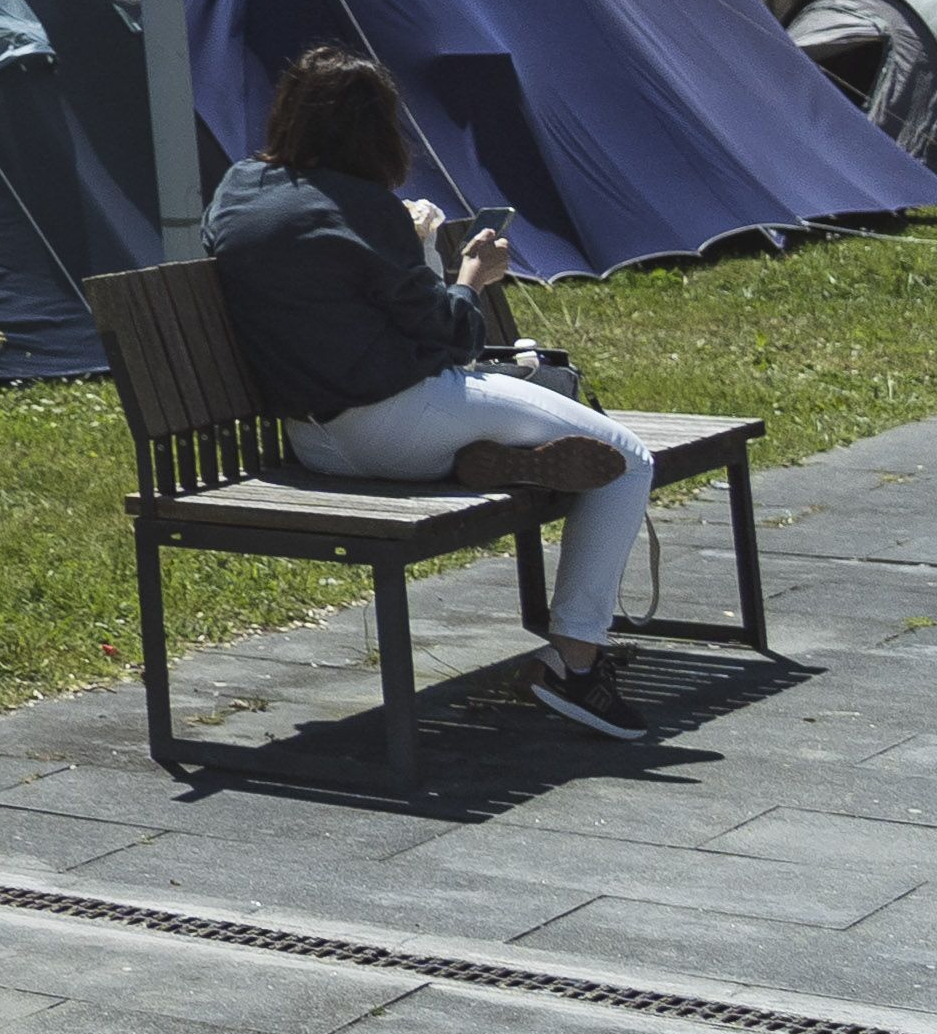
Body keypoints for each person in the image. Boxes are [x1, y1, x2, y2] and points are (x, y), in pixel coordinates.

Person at [206, 45, 665, 737]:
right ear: (374, 130)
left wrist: (402, 249)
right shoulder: (362, 207)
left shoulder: (239, 186)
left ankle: (483, 451)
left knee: (518, 416)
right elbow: (450, 335)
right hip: (393, 424)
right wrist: (468, 274)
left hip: (312, 440)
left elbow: (324, 284)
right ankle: (571, 660)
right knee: (627, 458)